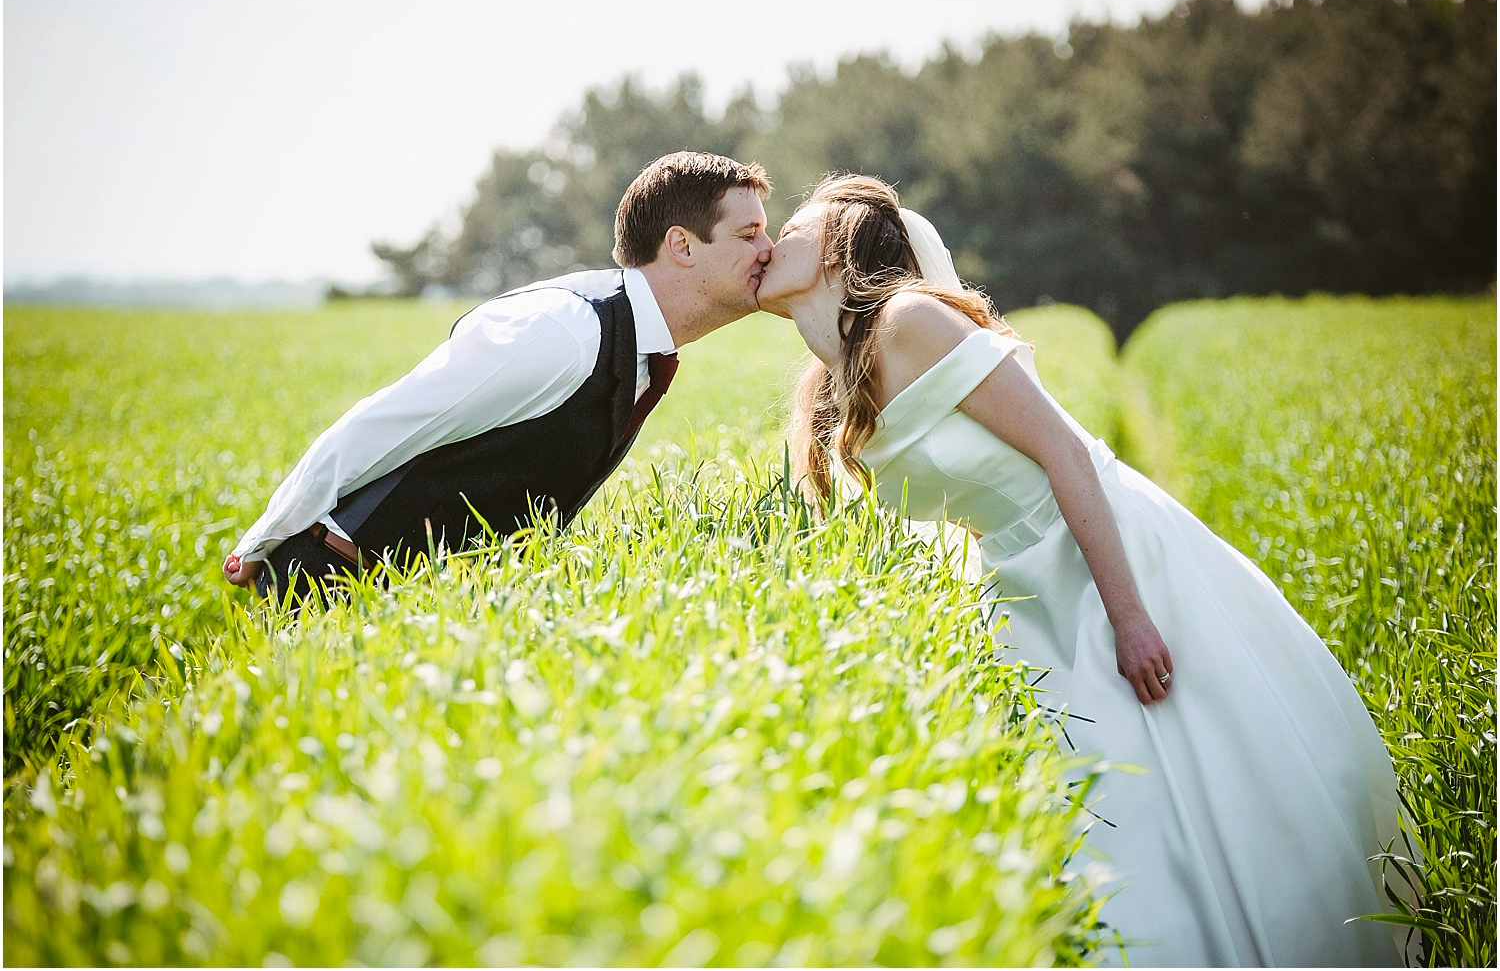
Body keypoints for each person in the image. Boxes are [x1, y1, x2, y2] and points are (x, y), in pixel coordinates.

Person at [755, 174, 1412, 967]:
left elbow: (1065, 452)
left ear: (833, 250)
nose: (769, 243)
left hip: (1103, 553)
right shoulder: (828, 386)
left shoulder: (910, 322)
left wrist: (1129, 617)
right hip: (1020, 590)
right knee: (1106, 810)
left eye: (789, 227)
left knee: (1184, 773)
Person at [222, 151, 773, 604]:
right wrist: (261, 541)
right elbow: (384, 423)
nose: (768, 251)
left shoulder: (637, 341)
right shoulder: (566, 330)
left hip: (423, 608)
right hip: (333, 584)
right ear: (681, 245)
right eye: (749, 235)